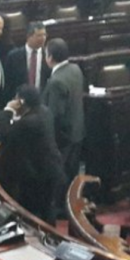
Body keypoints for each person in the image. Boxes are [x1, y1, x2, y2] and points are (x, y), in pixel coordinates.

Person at [0, 85, 64, 224]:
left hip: (39, 174)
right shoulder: (44, 112)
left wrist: (8, 110)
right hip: (52, 168)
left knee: (37, 214)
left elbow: (3, 134)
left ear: (21, 101)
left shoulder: (28, 123)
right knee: (47, 209)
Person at [42, 38, 85, 181]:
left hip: (63, 140)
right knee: (73, 177)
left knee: (61, 180)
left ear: (50, 57)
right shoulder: (75, 69)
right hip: (77, 132)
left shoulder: (56, 81)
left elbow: (54, 115)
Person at [2, 22, 49, 105]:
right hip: (20, 103)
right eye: (39, 35)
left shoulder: (48, 55)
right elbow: (8, 83)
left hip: (42, 103)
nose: (43, 38)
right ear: (29, 36)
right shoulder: (14, 56)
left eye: (44, 35)